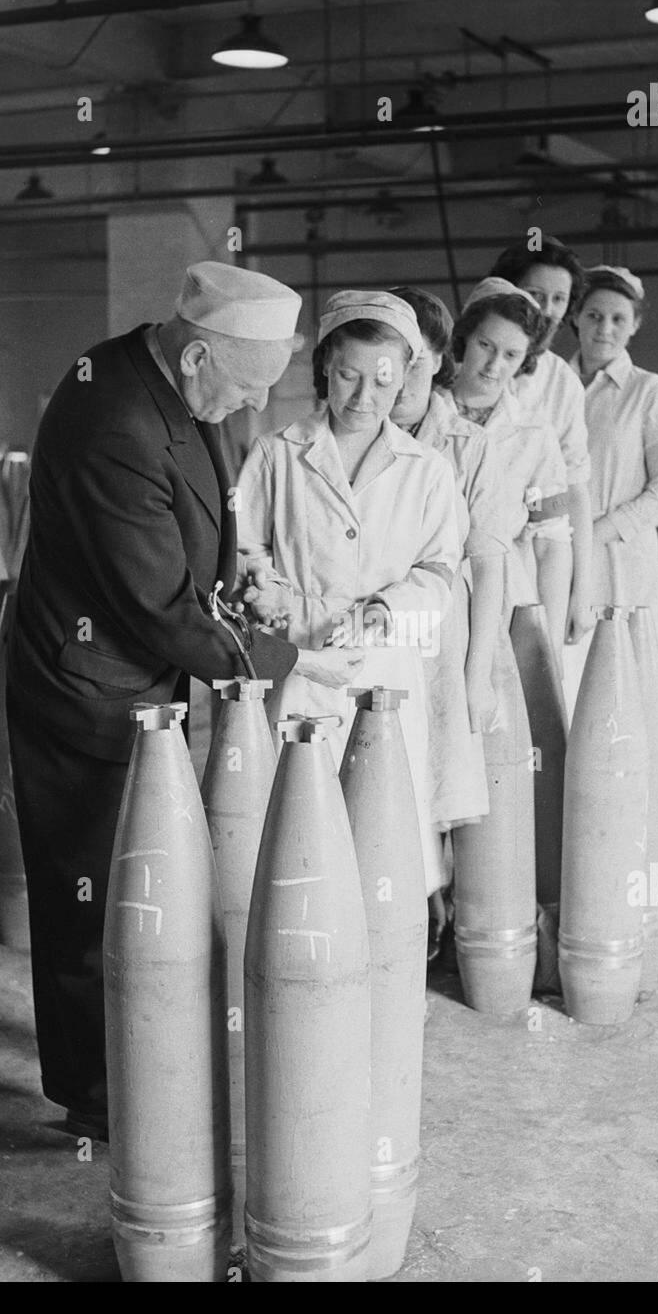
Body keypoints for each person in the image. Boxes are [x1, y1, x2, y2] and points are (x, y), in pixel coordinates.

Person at [6, 262, 346, 1140]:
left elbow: (205, 511)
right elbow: (156, 605)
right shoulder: (111, 422)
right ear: (197, 358)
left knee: (138, 885)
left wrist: (245, 571)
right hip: (85, 689)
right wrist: (284, 660)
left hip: (135, 683)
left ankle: (124, 1055)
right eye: (241, 390)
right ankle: (95, 1096)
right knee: (91, 894)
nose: (246, 410)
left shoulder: (177, 387)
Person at [235, 290, 461, 894]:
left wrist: (385, 612)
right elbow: (244, 548)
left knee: (380, 836)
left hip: (384, 665)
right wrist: (267, 590)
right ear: (323, 370)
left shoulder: (427, 471)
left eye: (384, 382)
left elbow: (441, 574)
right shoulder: (275, 454)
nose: (365, 398)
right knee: (296, 842)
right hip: (298, 659)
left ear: (408, 376)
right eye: (348, 377)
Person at [387, 285, 510, 956]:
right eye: (389, 360)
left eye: (416, 361)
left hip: (439, 642)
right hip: (372, 638)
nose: (399, 378)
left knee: (430, 789)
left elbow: (488, 565)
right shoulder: (355, 433)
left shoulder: (469, 446)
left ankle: (427, 933)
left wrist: (476, 676)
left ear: (439, 362)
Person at [565, 263, 658, 712]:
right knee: (560, 680)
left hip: (617, 561)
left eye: (619, 318)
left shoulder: (649, 392)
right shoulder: (551, 384)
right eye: (594, 315)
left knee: (618, 692)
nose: (605, 328)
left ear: (634, 324)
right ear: (575, 316)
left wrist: (602, 528)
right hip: (553, 554)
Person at [446, 277, 571, 656]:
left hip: (505, 595)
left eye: (512, 355)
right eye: (486, 345)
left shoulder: (534, 434)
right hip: (430, 589)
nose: (494, 365)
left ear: (526, 359)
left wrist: (549, 643)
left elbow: (550, 535)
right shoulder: (424, 417)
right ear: (465, 338)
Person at [488, 236, 594, 649]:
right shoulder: (467, 366)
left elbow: (572, 491)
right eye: (535, 295)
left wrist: (580, 590)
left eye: (559, 299)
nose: (547, 311)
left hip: (533, 557)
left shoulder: (562, 383)